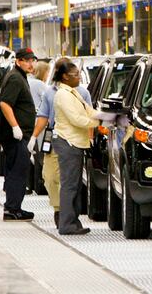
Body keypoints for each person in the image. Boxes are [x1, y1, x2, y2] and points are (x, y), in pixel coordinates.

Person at [28, 57, 94, 228]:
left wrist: (91, 137)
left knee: (69, 181)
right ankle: (61, 210)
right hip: (54, 137)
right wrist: (34, 136)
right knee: (50, 177)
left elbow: (88, 114)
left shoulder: (82, 92)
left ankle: (64, 213)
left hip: (73, 139)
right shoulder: (50, 92)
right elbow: (43, 116)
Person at [51, 59, 100, 235]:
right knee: (69, 185)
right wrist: (98, 122)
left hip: (75, 143)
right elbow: (77, 119)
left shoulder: (73, 92)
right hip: (68, 142)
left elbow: (87, 110)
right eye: (75, 74)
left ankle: (73, 221)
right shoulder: (62, 95)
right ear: (65, 76)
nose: (79, 77)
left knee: (75, 185)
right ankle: (66, 224)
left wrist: (106, 116)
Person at [0, 48, 38, 222]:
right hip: (16, 136)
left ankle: (14, 207)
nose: (30, 63)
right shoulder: (15, 78)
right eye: (27, 60)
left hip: (20, 135)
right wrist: (15, 127)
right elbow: (5, 103)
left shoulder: (19, 76)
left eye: (32, 60)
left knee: (17, 170)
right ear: (18, 61)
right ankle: (12, 209)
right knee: (17, 172)